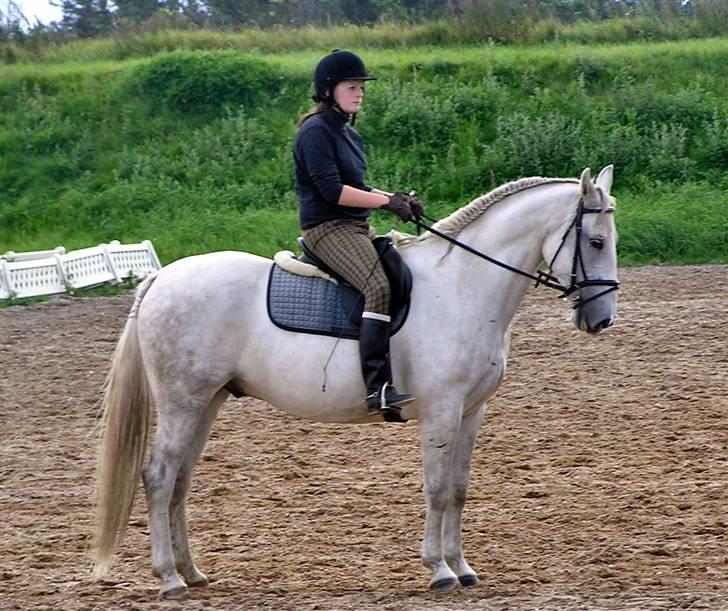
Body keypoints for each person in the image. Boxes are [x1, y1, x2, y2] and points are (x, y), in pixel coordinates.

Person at [293, 49, 425, 417]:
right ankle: (377, 388)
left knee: (401, 273)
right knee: (377, 286)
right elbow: (334, 192)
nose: (359, 93)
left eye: (362, 87)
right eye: (352, 87)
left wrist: (396, 199)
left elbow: (359, 186)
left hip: (355, 226)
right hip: (327, 228)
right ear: (328, 90)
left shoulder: (347, 133)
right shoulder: (315, 133)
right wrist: (386, 203)